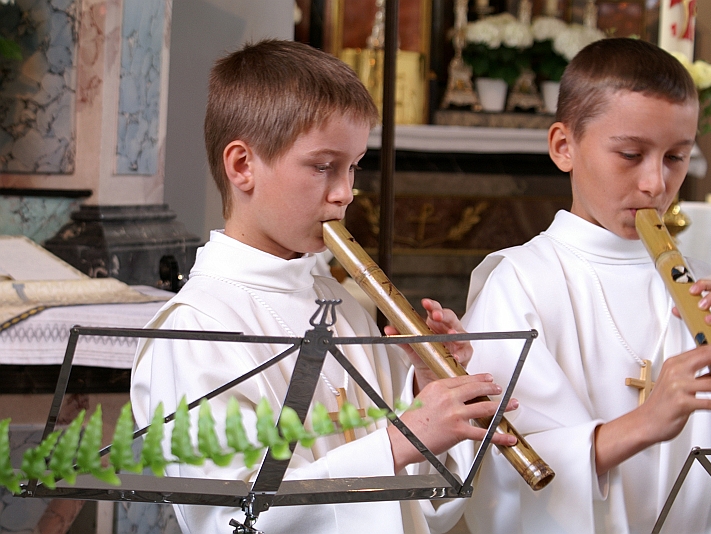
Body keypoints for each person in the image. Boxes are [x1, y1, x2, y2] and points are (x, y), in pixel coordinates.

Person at [130, 39, 517, 534]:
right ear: (242, 165)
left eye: (353, 166)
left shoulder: (343, 305)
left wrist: (426, 388)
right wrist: (400, 440)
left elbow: (422, 510)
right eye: (323, 166)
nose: (346, 193)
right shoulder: (193, 330)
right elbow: (230, 520)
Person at [461, 38, 711, 534]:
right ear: (564, 147)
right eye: (630, 154)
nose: (655, 184)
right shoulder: (520, 283)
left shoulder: (708, 284)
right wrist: (645, 422)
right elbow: (500, 466)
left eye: (676, 157)